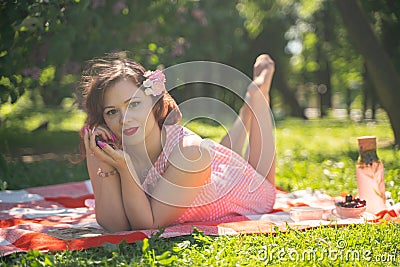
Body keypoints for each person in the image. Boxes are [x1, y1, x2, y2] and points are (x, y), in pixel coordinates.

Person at [79, 52, 276, 232]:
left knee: (259, 177)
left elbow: (147, 225)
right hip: (205, 171)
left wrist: (125, 169)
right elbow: (115, 225)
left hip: (240, 189)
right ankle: (245, 111)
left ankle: (257, 94)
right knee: (219, 153)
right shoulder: (108, 147)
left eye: (134, 104)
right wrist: (101, 159)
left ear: (154, 102)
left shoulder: (190, 153)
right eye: (112, 112)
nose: (124, 119)